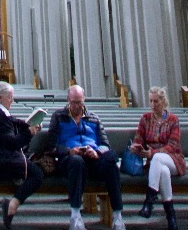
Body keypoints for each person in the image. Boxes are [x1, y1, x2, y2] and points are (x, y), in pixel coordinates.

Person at [40, 84, 125, 230]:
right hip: (70, 161)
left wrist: (97, 152)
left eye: (79, 102)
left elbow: (105, 144)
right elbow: (51, 147)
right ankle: (75, 216)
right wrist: (69, 151)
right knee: (77, 161)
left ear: (84, 100)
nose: (77, 106)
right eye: (73, 102)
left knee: (110, 159)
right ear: (68, 100)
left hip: (93, 160)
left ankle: (118, 216)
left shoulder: (94, 118)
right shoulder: (59, 117)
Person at [0, 80, 45, 229]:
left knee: (31, 168)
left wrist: (27, 124)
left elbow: (12, 122)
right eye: (10, 97)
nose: (12, 100)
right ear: (1, 98)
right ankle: (13, 204)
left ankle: (14, 197)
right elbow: (12, 143)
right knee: (37, 174)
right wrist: (29, 133)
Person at [129, 86, 185, 226]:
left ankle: (149, 200)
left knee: (158, 158)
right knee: (163, 172)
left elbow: (173, 145)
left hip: (173, 159)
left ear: (163, 102)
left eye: (156, 101)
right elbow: (138, 138)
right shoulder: (145, 119)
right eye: (151, 101)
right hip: (155, 165)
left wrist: (152, 153)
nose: (153, 105)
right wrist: (136, 147)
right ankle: (171, 217)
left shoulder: (173, 120)